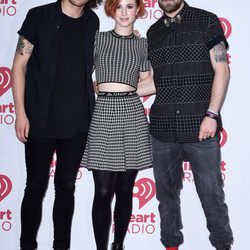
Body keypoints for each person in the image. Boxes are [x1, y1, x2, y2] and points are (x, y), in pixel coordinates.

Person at [11, 0, 101, 249]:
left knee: (66, 188)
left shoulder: (92, 21)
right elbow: (19, 66)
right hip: (40, 117)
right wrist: (21, 113)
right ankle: (26, 245)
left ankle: (61, 246)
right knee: (35, 187)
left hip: (78, 121)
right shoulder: (39, 16)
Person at [146, 1, 234, 250]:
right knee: (166, 197)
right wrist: (112, 88)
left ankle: (222, 245)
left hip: (201, 127)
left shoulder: (206, 20)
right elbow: (155, 82)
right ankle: (171, 245)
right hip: (163, 129)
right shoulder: (154, 32)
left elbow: (222, 69)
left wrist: (212, 114)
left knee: (211, 195)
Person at [80, 0, 153, 249]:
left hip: (132, 114)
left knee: (124, 190)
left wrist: (127, 90)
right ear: (111, 9)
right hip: (102, 114)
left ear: (137, 10)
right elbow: (80, 74)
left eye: (129, 7)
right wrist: (96, 88)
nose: (124, 12)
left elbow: (149, 82)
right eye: (119, 6)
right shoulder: (97, 39)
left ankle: (118, 244)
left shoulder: (142, 44)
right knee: (102, 191)